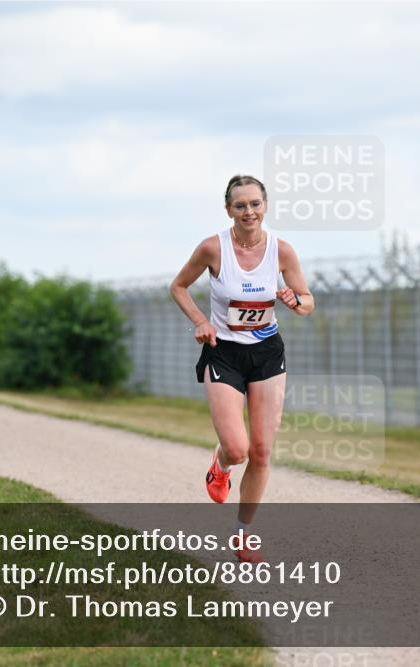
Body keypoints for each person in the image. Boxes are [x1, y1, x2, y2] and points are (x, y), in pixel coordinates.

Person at [169, 174, 315, 563]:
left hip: (267, 353)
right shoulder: (213, 248)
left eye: (255, 204)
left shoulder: (281, 251)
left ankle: (243, 534)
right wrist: (201, 321)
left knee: (263, 451)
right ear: (228, 210)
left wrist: (293, 300)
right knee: (238, 448)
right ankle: (220, 465)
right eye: (240, 205)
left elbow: (307, 302)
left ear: (264, 205)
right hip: (224, 352)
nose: (248, 212)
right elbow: (178, 286)